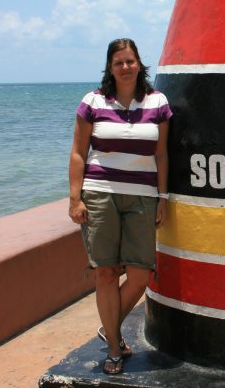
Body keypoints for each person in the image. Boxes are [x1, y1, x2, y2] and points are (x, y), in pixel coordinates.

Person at [68, 38, 172, 374]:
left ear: (139, 64)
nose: (125, 67)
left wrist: (163, 198)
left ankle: (108, 327)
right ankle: (114, 348)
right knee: (106, 272)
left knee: (140, 275)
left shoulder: (158, 102)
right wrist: (75, 198)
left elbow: (161, 155)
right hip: (99, 194)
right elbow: (78, 152)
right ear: (110, 68)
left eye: (130, 61)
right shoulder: (93, 101)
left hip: (142, 196)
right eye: (118, 62)